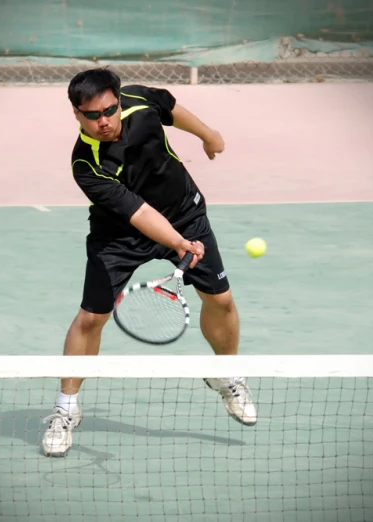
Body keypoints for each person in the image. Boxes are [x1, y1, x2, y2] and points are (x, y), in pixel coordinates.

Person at [41, 68, 257, 457]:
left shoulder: (139, 101)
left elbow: (170, 106)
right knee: (91, 319)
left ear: (119, 100)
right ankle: (65, 408)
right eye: (93, 115)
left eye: (109, 109)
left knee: (221, 299)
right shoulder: (85, 165)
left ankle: (226, 374)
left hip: (184, 214)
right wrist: (178, 243)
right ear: (76, 114)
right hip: (120, 235)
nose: (104, 121)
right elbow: (137, 212)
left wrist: (208, 135)